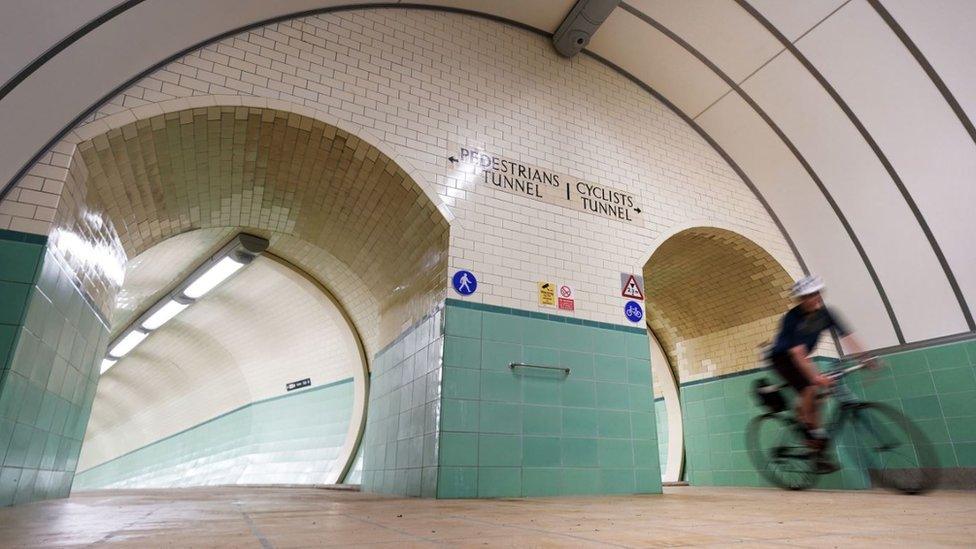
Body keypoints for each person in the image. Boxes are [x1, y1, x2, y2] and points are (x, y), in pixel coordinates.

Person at [768, 275, 875, 470]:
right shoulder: (792, 318)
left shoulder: (828, 314)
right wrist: (816, 377)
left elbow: (848, 336)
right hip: (782, 359)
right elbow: (797, 352)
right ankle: (809, 428)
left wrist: (865, 357)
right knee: (810, 387)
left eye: (816, 293)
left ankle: (811, 432)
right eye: (807, 296)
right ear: (800, 299)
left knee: (819, 395)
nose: (813, 298)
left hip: (800, 356)